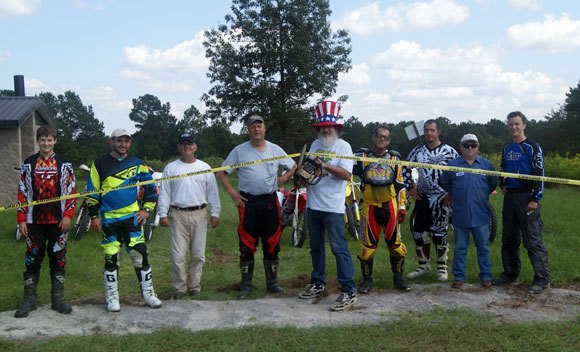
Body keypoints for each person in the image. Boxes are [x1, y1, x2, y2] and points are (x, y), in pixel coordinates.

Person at [217, 115, 296, 299]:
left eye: (259, 126)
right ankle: (246, 285)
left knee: (272, 242)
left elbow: (292, 166)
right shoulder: (239, 151)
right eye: (253, 127)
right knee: (246, 243)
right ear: (248, 130)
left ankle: (272, 283)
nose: (257, 129)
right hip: (248, 203)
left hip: (269, 201)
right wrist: (232, 193)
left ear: (264, 129)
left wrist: (284, 178)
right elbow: (222, 172)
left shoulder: (275, 149)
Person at [86, 128, 162, 312]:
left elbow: (151, 188)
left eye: (126, 141)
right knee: (111, 258)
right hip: (109, 220)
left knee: (140, 254)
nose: (123, 144)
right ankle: (112, 297)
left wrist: (147, 210)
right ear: (111, 141)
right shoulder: (100, 163)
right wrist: (94, 216)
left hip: (132, 219)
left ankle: (148, 294)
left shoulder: (137, 163)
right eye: (119, 141)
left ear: (130, 143)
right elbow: (92, 191)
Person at [298, 100, 357, 311]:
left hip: (333, 207)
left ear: (336, 128)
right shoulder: (314, 145)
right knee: (316, 248)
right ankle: (318, 282)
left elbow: (347, 175)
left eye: (329, 126)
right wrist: (302, 176)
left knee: (339, 248)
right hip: (313, 205)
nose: (325, 129)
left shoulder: (343, 147)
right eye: (322, 126)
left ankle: (349, 290)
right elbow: (309, 171)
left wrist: (324, 165)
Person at [14, 125, 76, 318]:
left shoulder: (64, 164)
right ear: (38, 141)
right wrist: (21, 219)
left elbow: (71, 190)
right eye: (43, 139)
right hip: (34, 221)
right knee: (33, 258)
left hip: (59, 221)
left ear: (55, 141)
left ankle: (57, 299)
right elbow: (22, 192)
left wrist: (67, 215)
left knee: (58, 257)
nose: (46, 143)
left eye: (50, 140)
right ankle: (29, 300)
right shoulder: (29, 163)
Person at [157, 132, 221, 298]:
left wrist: (215, 213)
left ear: (195, 146)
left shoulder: (205, 167)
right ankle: (180, 287)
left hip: (199, 214)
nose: (187, 146)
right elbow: (164, 192)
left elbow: (213, 192)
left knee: (198, 254)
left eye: (190, 143)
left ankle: (194, 285)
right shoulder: (171, 168)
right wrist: (162, 213)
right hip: (177, 214)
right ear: (179, 147)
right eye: (183, 144)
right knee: (178, 255)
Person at [493, 111, 550, 294]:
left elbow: (540, 173)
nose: (514, 127)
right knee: (508, 237)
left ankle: (542, 278)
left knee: (532, 239)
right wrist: (502, 184)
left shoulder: (532, 147)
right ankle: (510, 273)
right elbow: (502, 168)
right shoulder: (507, 148)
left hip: (527, 196)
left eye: (517, 124)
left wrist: (535, 198)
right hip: (511, 197)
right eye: (510, 124)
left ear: (524, 125)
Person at [353, 125, 410, 293]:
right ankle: (367, 281)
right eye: (379, 136)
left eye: (385, 137)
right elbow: (343, 167)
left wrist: (401, 207)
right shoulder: (361, 156)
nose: (382, 139)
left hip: (390, 205)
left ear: (389, 140)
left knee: (396, 244)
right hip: (370, 206)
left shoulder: (394, 158)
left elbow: (400, 185)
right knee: (367, 247)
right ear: (373, 137)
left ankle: (399, 279)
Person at [403, 119, 458, 281]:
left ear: (438, 131)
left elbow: (457, 172)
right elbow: (405, 167)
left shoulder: (449, 151)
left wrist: (452, 193)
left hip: (442, 199)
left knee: (440, 233)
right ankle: (423, 266)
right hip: (423, 198)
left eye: (432, 130)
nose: (429, 133)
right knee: (419, 233)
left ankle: (442, 269)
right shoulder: (417, 151)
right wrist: (410, 187)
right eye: (426, 130)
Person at [441, 134, 498, 289]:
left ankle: (486, 277)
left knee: (484, 248)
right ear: (461, 147)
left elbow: (493, 184)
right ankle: (459, 277)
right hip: (460, 214)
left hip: (481, 214)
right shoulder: (452, 165)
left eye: (473, 145)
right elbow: (444, 182)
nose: (470, 148)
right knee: (460, 248)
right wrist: (453, 193)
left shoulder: (487, 165)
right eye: (467, 145)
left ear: (478, 146)